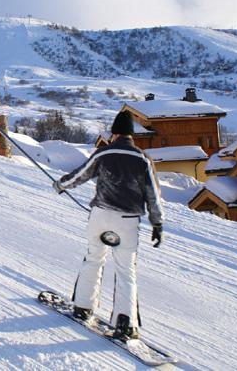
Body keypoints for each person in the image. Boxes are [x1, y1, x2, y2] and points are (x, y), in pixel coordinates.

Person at [53, 110, 164, 341]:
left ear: (114, 133)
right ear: (132, 135)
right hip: (127, 221)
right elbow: (153, 194)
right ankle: (125, 322)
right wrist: (157, 223)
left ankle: (83, 307)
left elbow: (80, 175)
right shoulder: (143, 159)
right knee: (126, 270)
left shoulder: (104, 153)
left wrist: (61, 185)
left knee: (94, 258)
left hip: (100, 215)